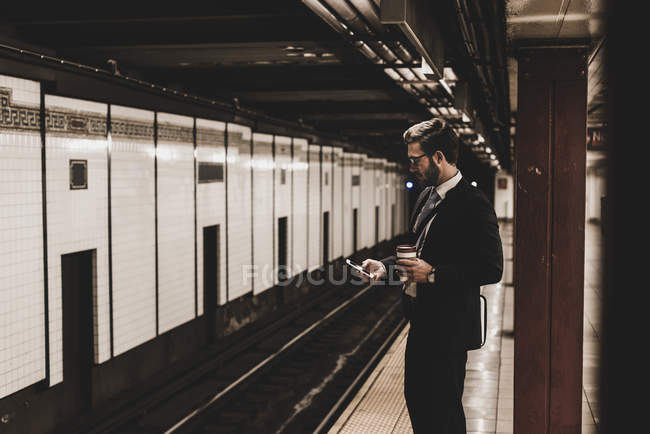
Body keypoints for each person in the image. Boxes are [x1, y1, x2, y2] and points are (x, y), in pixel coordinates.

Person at [361, 118, 503, 434]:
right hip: (422, 323)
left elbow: (492, 267)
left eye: (416, 160)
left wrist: (435, 275)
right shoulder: (428, 196)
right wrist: (385, 268)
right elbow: (419, 254)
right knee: (420, 404)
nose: (412, 167)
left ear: (438, 157)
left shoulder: (473, 204)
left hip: (449, 330)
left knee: (444, 415)